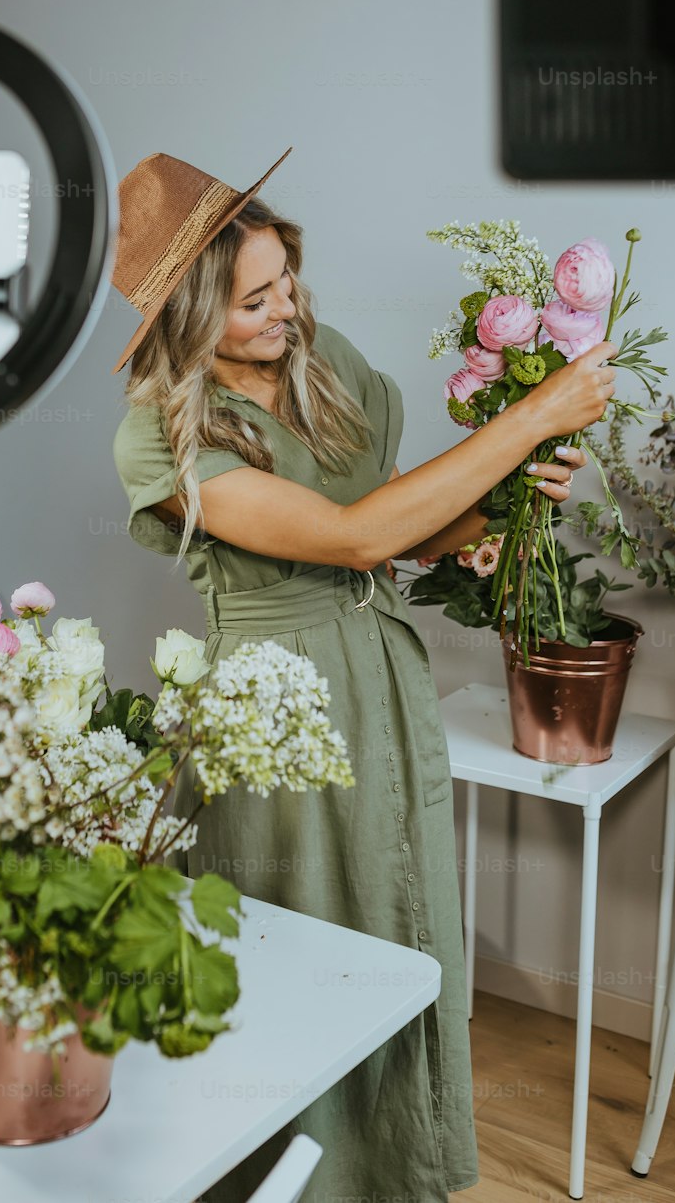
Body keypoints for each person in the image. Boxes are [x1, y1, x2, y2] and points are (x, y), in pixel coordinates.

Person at [109, 147, 615, 1202]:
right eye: (255, 301)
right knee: (292, 930)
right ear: (193, 317)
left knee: (390, 920)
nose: (286, 306)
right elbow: (347, 536)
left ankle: (391, 1172)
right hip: (269, 704)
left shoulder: (322, 359)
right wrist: (530, 416)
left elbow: (406, 536)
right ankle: (284, 1175)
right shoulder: (161, 437)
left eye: (286, 275)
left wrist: (523, 490)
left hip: (375, 673)